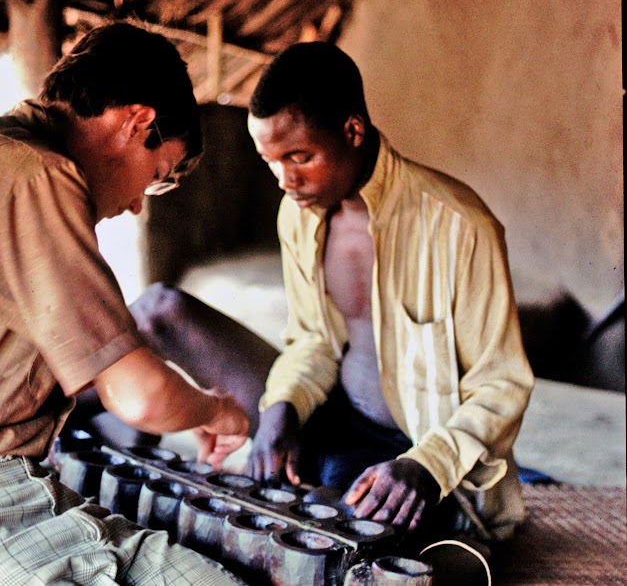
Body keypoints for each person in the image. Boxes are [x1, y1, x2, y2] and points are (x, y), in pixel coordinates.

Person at [131, 42, 535, 552]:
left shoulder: (458, 226)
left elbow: (501, 384)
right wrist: (281, 407)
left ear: (353, 131)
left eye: (300, 157)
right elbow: (313, 341)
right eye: (271, 161)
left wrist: (426, 465)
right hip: (333, 418)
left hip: (411, 456)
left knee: (329, 540)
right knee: (162, 312)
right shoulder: (298, 214)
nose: (286, 180)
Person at [0, 22, 250, 585]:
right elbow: (139, 396)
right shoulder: (41, 176)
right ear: (137, 123)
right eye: (156, 176)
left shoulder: (9, 154)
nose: (138, 204)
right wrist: (217, 410)